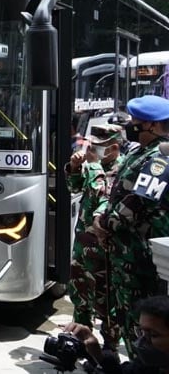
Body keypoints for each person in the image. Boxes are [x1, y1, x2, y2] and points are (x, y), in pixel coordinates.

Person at [93, 95, 169, 358]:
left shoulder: (161, 158)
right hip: (123, 251)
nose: (130, 125)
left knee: (142, 324)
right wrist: (101, 213)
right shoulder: (137, 151)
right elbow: (116, 189)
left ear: (151, 125)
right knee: (125, 314)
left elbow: (139, 202)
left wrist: (104, 223)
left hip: (140, 257)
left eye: (135, 121)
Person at [65, 124, 124, 350]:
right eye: (92, 145)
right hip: (83, 242)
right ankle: (80, 341)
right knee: (79, 293)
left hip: (105, 249)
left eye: (98, 146)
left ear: (114, 147)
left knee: (106, 300)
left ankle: (109, 350)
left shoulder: (123, 169)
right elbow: (75, 187)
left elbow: (104, 197)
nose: (92, 149)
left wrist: (92, 166)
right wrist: (74, 167)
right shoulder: (94, 167)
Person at [64, 295, 169, 372]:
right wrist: (96, 352)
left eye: (153, 335)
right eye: (141, 332)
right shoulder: (148, 366)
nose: (143, 341)